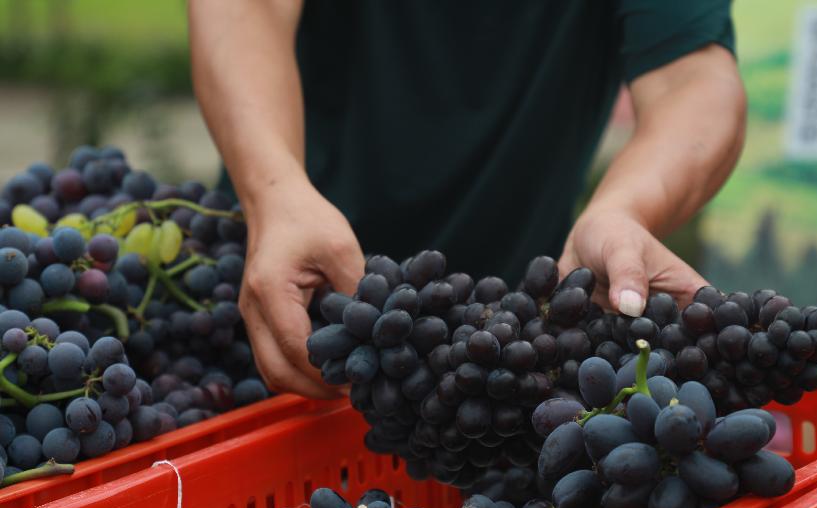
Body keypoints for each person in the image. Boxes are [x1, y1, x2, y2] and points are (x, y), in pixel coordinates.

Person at [188, 1, 746, 398]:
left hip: (498, 358)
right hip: (277, 295)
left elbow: (693, 81)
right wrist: (273, 193)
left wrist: (623, 210)